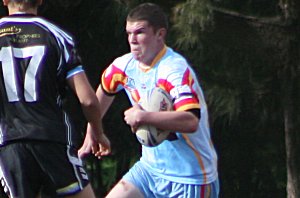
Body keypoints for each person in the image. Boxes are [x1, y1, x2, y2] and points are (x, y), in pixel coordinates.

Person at [79, 2, 219, 198]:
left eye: (140, 32)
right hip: (149, 171)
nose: (132, 40)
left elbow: (191, 120)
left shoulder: (173, 71)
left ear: (159, 35)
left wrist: (144, 117)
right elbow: (102, 93)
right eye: (129, 33)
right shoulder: (123, 67)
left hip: (190, 178)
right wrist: (93, 132)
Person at [0, 0, 111, 197]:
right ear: (40, 1)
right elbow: (88, 100)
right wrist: (98, 132)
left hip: (11, 143)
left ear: (5, 0)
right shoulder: (56, 36)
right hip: (53, 139)